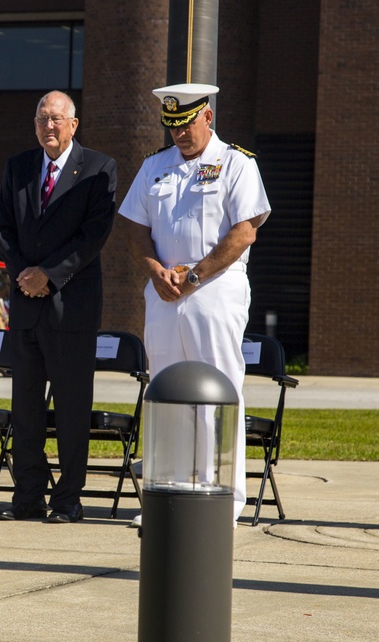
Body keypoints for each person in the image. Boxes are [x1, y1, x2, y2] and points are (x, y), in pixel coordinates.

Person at [118, 83, 272, 525]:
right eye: (172, 127)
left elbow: (244, 232)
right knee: (165, 391)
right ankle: (167, 496)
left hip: (213, 289)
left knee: (219, 389)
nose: (180, 135)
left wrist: (196, 275)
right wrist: (154, 269)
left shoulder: (236, 163)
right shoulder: (154, 167)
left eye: (186, 125)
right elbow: (134, 228)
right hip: (165, 290)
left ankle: (223, 499)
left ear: (207, 116)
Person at [0, 90, 117, 524]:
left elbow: (94, 235)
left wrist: (49, 273)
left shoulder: (99, 168)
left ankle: (67, 501)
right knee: (25, 409)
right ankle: (27, 497)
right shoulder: (18, 167)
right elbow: (3, 229)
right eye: (43, 118)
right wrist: (26, 273)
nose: (49, 125)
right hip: (26, 307)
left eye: (57, 118)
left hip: (72, 309)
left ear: (73, 124)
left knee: (70, 410)